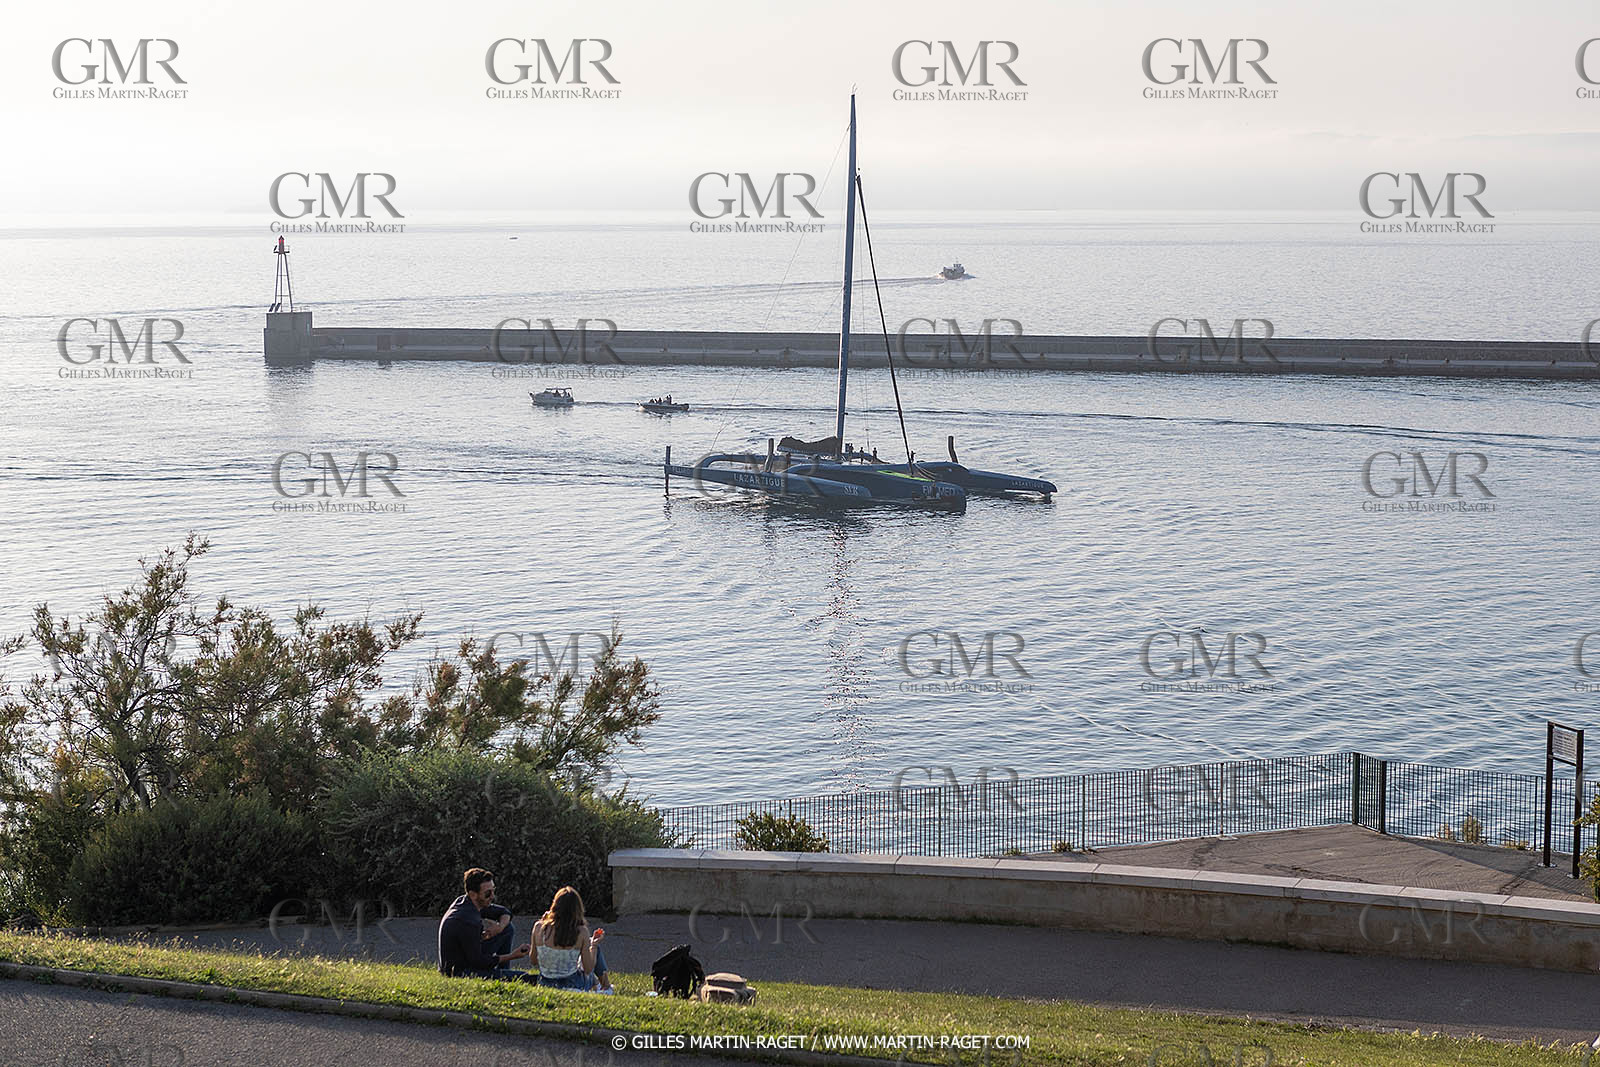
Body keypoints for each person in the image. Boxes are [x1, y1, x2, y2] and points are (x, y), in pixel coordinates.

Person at [438, 868, 534, 981]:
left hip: (469, 958)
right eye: (488, 893)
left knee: (507, 928)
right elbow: (479, 962)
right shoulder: (468, 920)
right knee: (524, 977)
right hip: (461, 972)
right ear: (473, 894)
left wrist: (499, 928)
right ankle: (502, 974)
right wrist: (513, 955)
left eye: (493, 890)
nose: (492, 896)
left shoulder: (466, 902)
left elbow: (504, 912)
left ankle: (503, 971)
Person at [532, 886, 612, 992]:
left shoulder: (538, 927)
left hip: (545, 983)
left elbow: (533, 960)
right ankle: (606, 987)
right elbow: (588, 969)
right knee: (594, 949)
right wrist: (594, 945)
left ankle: (598, 984)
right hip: (573, 984)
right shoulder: (581, 931)